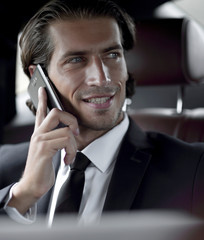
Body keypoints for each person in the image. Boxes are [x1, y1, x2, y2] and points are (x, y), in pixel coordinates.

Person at [0, 0, 204, 226]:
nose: (102, 78)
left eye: (112, 55)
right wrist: (23, 195)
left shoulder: (194, 169)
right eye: (76, 60)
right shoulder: (5, 167)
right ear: (39, 78)